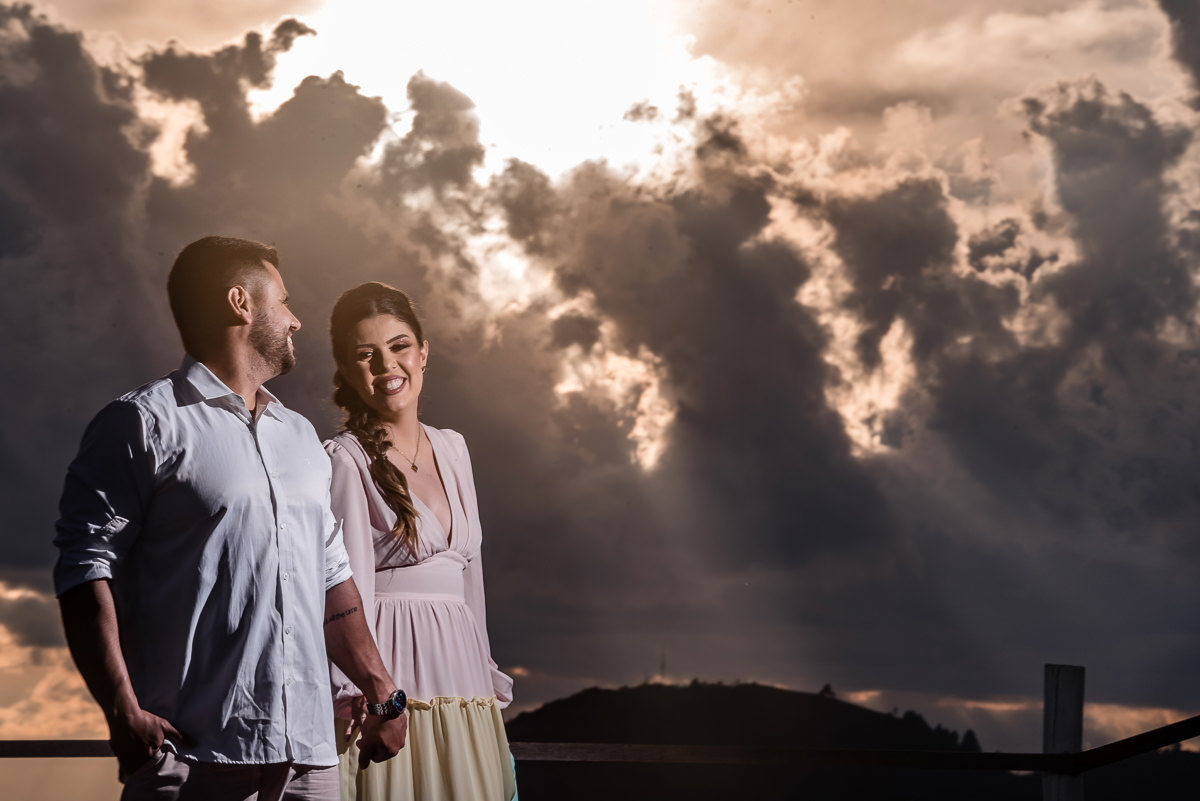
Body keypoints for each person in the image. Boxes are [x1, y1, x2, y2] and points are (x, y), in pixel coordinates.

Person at [54, 236, 408, 801]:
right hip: (193, 756)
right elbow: (84, 567)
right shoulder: (141, 424)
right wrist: (121, 709)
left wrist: (383, 692)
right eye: (283, 301)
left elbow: (331, 574)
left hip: (310, 759)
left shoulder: (300, 436)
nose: (295, 320)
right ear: (241, 302)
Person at [325, 282, 516, 801]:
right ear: (347, 370)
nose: (387, 364)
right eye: (366, 354)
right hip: (394, 672)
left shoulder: (454, 448)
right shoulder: (345, 459)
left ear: (424, 352)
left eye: (399, 346)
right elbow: (343, 589)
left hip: (462, 672)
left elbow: (470, 581)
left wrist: (484, 676)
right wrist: (362, 695)